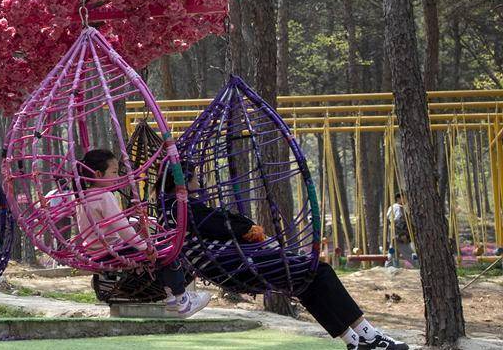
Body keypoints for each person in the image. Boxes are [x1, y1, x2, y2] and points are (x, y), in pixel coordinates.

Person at [165, 165, 408, 350]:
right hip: (240, 266)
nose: (199, 181)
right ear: (183, 182)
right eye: (195, 177)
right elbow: (227, 225)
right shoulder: (184, 208)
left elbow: (221, 225)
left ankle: (355, 341)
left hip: (234, 265)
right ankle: (369, 336)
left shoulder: (173, 210)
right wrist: (249, 228)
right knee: (319, 271)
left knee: (305, 284)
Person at [76, 148, 210, 317]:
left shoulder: (82, 198)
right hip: (112, 250)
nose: (118, 177)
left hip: (96, 251)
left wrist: (136, 223)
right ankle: (182, 299)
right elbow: (121, 227)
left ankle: (171, 299)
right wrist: (143, 246)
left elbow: (105, 225)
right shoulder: (104, 196)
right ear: (97, 174)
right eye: (114, 172)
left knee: (157, 254)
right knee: (167, 252)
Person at [385, 193, 416, 269]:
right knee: (410, 254)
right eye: (404, 198)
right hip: (400, 238)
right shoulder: (399, 208)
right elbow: (398, 221)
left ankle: (388, 268)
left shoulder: (391, 207)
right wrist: (402, 235)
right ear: (399, 199)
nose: (406, 200)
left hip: (393, 237)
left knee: (392, 254)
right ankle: (420, 266)